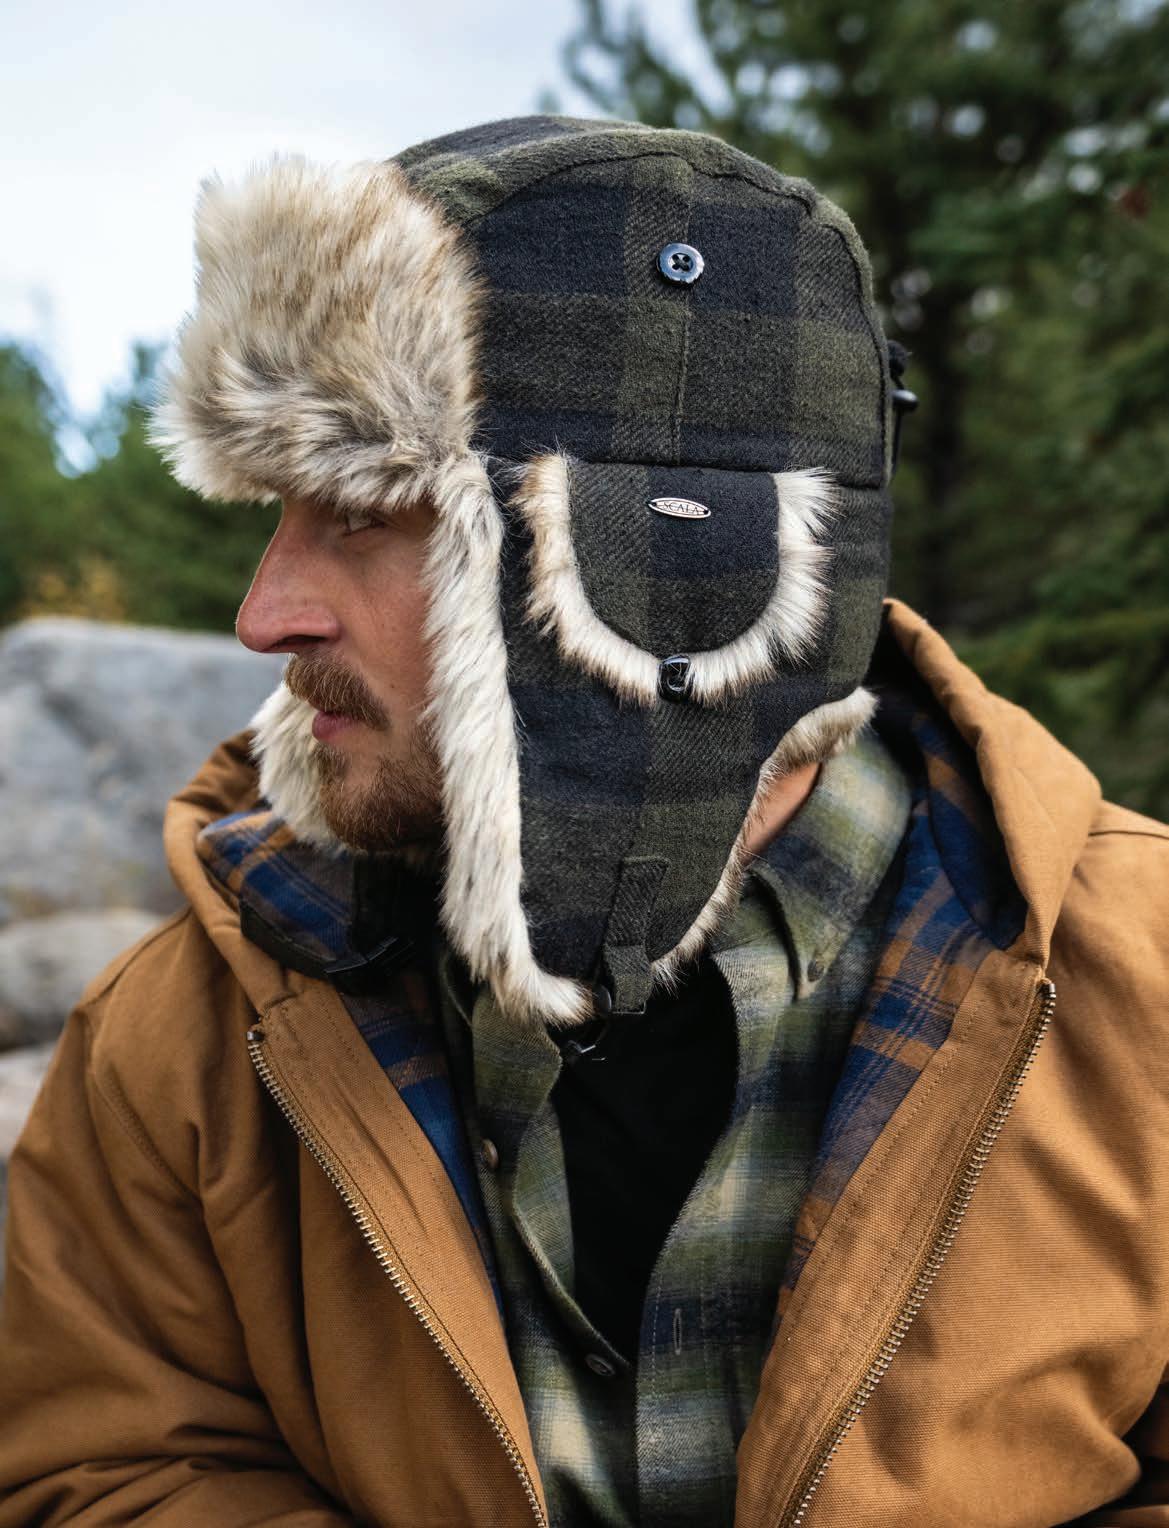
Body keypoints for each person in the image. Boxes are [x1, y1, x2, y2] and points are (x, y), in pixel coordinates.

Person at [0, 114, 1166, 1528]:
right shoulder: (187, 1034)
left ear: (668, 560)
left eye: (365, 512)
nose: (264, 614)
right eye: (280, 514)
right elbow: (98, 1469)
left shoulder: (1143, 990)